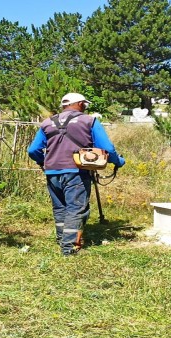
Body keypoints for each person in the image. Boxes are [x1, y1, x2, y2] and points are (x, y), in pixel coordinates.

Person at [28, 92, 125, 256]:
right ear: (80, 104)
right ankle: (69, 248)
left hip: (52, 171)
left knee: (60, 207)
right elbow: (107, 149)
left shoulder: (47, 123)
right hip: (76, 171)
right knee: (75, 208)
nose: (85, 107)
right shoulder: (89, 121)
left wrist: (44, 162)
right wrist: (118, 161)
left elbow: (32, 150)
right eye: (84, 105)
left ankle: (62, 239)